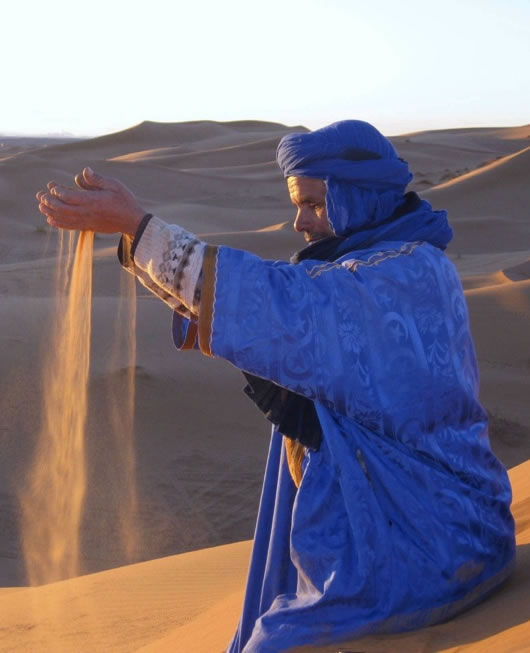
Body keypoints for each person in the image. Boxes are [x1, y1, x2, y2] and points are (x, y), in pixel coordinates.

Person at [37, 120, 515, 652]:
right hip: (461, 532)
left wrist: (139, 225)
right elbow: (274, 315)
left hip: (423, 547)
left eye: (313, 203)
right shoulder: (402, 264)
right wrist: (135, 234)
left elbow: (281, 305)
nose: (299, 222)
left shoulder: (397, 278)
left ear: (357, 197)